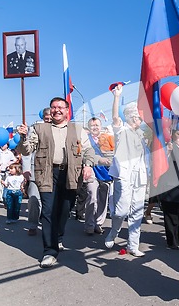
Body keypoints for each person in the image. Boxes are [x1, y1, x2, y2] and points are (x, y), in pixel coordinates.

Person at [16, 97, 95, 268]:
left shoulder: (78, 129)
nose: (56, 110)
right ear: (50, 110)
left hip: (70, 175)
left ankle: (58, 236)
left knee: (65, 210)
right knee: (49, 211)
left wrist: (88, 165)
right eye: (53, 107)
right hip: (47, 173)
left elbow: (88, 149)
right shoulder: (39, 128)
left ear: (67, 111)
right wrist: (23, 137)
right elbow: (26, 149)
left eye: (60, 107)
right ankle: (49, 251)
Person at [104, 84, 148, 257]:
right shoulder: (121, 130)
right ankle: (113, 232)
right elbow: (115, 116)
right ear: (130, 117)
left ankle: (133, 245)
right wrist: (116, 97)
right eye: (137, 118)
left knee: (137, 212)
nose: (140, 120)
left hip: (140, 176)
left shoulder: (142, 136)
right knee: (122, 210)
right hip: (124, 175)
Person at [83, 117, 114, 235]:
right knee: (92, 196)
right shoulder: (86, 140)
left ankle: (98, 223)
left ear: (101, 127)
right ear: (89, 128)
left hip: (106, 172)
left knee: (103, 198)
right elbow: (84, 154)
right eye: (92, 126)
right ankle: (89, 225)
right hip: (92, 171)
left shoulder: (107, 138)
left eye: (97, 125)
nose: (95, 127)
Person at [24, 107, 52, 236]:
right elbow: (28, 150)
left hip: (52, 172)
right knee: (34, 200)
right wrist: (26, 169)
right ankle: (32, 224)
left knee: (50, 203)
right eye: (47, 118)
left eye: (51, 118)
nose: (49, 120)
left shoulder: (60, 130)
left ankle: (49, 227)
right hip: (35, 170)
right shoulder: (35, 128)